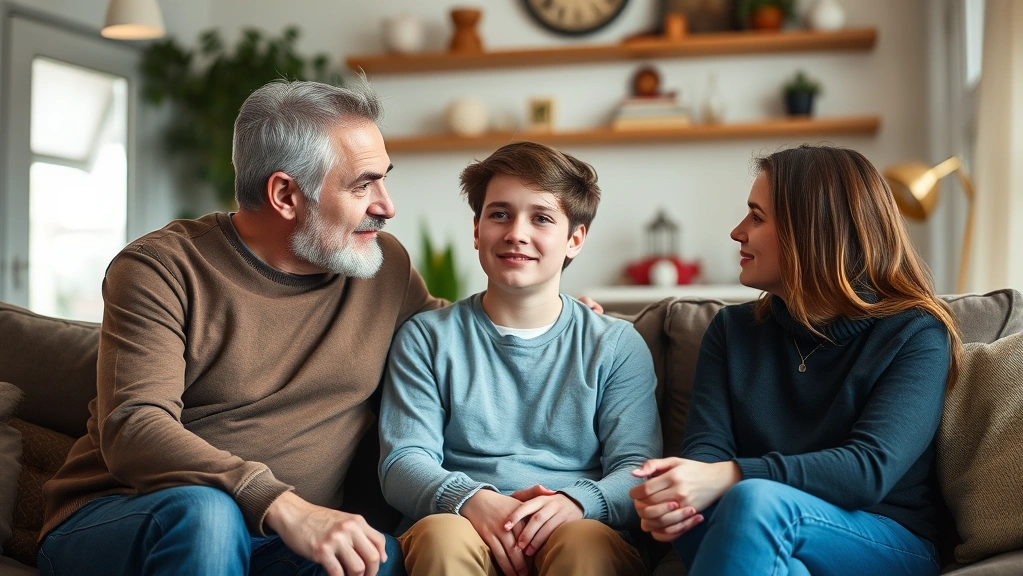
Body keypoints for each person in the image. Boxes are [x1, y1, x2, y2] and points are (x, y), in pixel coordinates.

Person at [37, 79, 443, 576]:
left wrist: (562, 315)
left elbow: (462, 340)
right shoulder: (162, 267)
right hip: (128, 515)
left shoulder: (384, 269)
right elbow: (134, 426)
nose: (386, 205)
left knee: (379, 558)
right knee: (210, 515)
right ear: (285, 194)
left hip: (277, 544)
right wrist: (282, 505)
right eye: (363, 184)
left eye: (383, 179)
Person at [629, 145, 962, 576]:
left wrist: (731, 476)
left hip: (883, 539)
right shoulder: (731, 330)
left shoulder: (914, 333)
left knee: (751, 503)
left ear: (814, 230)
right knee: (708, 519)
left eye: (756, 216)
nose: (736, 232)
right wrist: (675, 497)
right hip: (753, 524)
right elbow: (705, 452)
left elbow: (868, 469)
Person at [377, 142, 661, 576]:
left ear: (574, 239)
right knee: (441, 536)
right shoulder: (426, 338)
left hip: (576, 523)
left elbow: (636, 470)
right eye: (500, 214)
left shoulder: (617, 345)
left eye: (542, 218)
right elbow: (403, 461)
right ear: (476, 230)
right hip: (460, 520)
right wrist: (471, 500)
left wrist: (576, 502)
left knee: (583, 544)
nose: (516, 233)